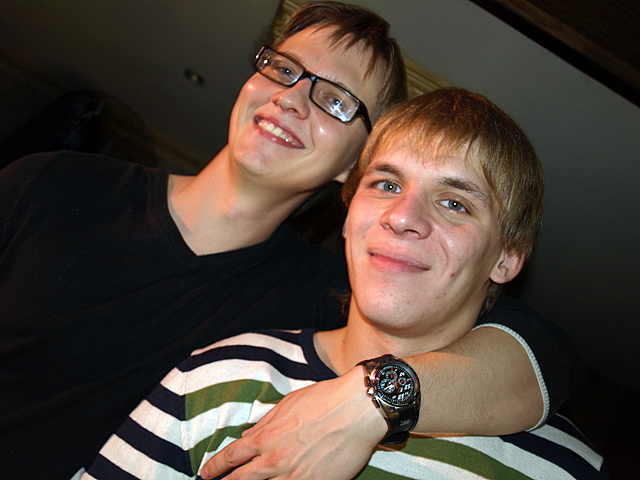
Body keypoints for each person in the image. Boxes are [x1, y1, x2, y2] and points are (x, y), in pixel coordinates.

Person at [0, 3, 576, 479]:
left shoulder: (334, 293)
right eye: (283, 68)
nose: (292, 97)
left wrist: (378, 399)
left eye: (336, 100)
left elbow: (538, 351)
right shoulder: (52, 183)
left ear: (356, 166)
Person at [81, 88, 608, 479]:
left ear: (507, 258)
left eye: (454, 202)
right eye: (386, 184)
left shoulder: (566, 468)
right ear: (350, 210)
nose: (403, 217)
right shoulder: (220, 376)